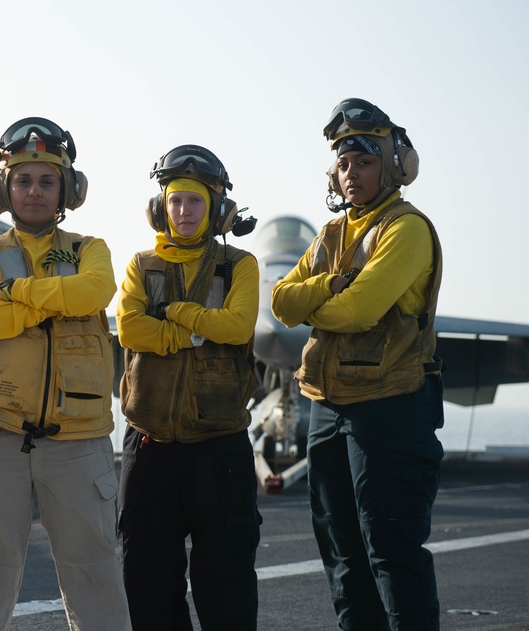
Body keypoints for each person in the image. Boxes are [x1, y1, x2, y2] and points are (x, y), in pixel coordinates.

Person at [0, 117, 131, 631]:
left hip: (78, 439)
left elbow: (93, 292)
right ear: (4, 188)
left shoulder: (90, 249)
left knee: (94, 572)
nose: (34, 191)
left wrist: (17, 293)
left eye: (47, 181)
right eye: (23, 180)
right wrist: (52, 301)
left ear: (66, 189)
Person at [271, 98, 443, 630]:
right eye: (343, 164)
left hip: (390, 407)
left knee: (391, 551)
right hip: (327, 407)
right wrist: (328, 285)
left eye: (365, 161)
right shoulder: (331, 235)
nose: (351, 174)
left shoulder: (405, 229)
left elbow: (361, 309)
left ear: (395, 166)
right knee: (344, 558)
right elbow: (281, 302)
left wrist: (316, 305)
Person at [116, 145, 262, 630]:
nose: (184, 212)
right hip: (150, 447)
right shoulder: (142, 265)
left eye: (195, 202)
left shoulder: (239, 265)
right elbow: (131, 330)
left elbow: (239, 327)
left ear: (217, 209)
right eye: (176, 201)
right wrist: (199, 332)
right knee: (147, 582)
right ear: (161, 207)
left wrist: (175, 313)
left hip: (218, 450)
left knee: (227, 585)